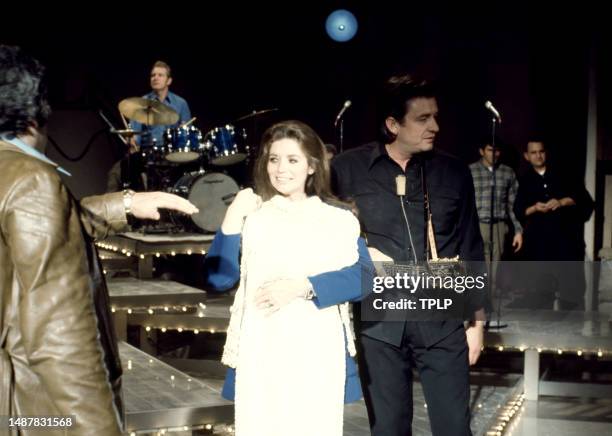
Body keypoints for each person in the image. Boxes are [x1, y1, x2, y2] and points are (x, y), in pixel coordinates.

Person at [0, 45, 198, 435]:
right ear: (37, 113)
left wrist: (126, 202)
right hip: (27, 412)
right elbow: (61, 339)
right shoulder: (31, 181)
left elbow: (38, 228)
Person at [331, 74, 486, 436]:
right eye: (422, 118)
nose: (435, 126)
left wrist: (478, 324)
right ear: (392, 124)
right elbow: (327, 239)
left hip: (443, 320)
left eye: (435, 116)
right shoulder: (346, 170)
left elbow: (472, 246)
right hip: (380, 322)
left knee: (453, 428)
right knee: (388, 429)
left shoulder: (453, 171)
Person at [203, 120, 375, 436]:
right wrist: (231, 219)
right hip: (261, 351)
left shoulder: (337, 219)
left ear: (312, 166)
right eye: (274, 159)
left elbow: (365, 278)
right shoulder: (254, 216)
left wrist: (303, 287)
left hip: (316, 353)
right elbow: (218, 279)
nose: (281, 169)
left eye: (292, 160)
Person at [514, 140, 593, 310]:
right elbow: (518, 211)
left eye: (541, 151)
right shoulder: (523, 180)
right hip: (539, 243)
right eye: (533, 153)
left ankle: (573, 329)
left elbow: (585, 201)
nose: (538, 156)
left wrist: (562, 202)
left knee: (572, 291)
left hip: (566, 240)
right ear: (526, 156)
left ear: (546, 153)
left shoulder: (564, 174)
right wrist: (535, 207)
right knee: (541, 292)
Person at [107, 60, 192, 191]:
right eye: (153, 75)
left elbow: (186, 135)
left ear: (169, 81)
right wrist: (132, 140)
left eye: (160, 75)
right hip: (147, 154)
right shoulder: (141, 103)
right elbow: (136, 136)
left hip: (172, 154)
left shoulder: (181, 104)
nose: (155, 78)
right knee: (116, 173)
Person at [469, 140, 522, 306]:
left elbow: (513, 205)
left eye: (497, 150)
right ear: (481, 151)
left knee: (494, 268)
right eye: (490, 150)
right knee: (477, 266)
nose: (494, 154)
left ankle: (488, 306)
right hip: (477, 224)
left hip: (499, 225)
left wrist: (518, 230)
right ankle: (476, 306)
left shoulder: (507, 172)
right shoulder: (470, 170)